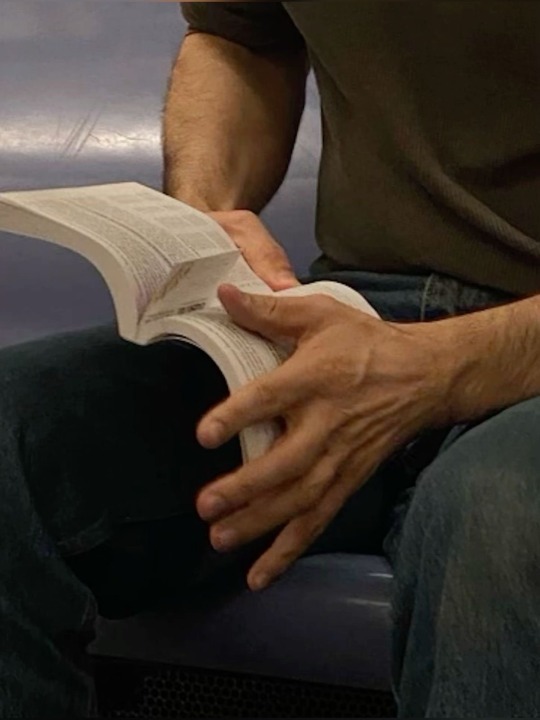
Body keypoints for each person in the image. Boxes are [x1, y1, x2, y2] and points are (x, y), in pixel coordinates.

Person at [2, 2, 540, 717]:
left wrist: (442, 366)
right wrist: (202, 212)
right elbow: (242, 37)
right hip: (354, 312)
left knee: (500, 513)